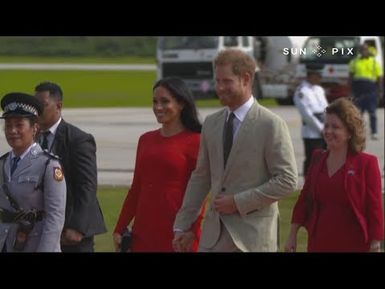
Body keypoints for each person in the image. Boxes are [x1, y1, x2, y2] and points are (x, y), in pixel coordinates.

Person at [173, 48, 298, 252]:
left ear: (246, 78)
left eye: (226, 81)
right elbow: (201, 177)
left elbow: (287, 180)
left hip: (252, 239)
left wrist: (238, 202)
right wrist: (182, 225)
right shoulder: (211, 124)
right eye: (217, 81)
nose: (219, 87)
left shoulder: (271, 124)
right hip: (213, 237)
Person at [113, 77, 205, 252]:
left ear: (181, 104)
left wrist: (191, 231)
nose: (158, 107)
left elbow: (200, 194)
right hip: (144, 231)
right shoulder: (146, 139)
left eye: (165, 101)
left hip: (177, 232)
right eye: (155, 101)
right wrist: (120, 227)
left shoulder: (197, 141)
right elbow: (136, 189)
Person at [285, 98, 384, 252]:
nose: (328, 131)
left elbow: (375, 206)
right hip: (319, 241)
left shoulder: (367, 163)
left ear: (349, 132)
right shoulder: (317, 157)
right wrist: (292, 234)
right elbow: (304, 199)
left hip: (355, 242)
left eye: (335, 127)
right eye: (326, 126)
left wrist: (376, 241)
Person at [34, 82, 106, 252]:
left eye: (42, 106)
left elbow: (87, 185)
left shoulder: (78, 139)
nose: (36, 111)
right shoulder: (32, 137)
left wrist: (77, 226)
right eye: (34, 106)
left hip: (71, 232)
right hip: (42, 228)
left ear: (58, 106)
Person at [0, 92, 66, 252]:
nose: (12, 131)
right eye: (8, 126)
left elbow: (55, 218)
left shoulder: (48, 165)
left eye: (19, 125)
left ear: (35, 128)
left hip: (35, 244)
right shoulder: (2, 163)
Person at [293, 64, 328, 176]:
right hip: (312, 133)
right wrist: (321, 129)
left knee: (324, 160)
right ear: (311, 75)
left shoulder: (319, 89)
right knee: (312, 160)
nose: (320, 78)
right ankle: (309, 186)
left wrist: (328, 128)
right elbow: (307, 114)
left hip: (326, 130)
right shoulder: (302, 92)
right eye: (318, 75)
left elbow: (326, 110)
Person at [349, 43, 383, 140]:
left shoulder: (374, 62)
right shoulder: (354, 62)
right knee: (358, 114)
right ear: (359, 51)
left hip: (370, 90)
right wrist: (350, 91)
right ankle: (358, 133)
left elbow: (379, 78)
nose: (364, 51)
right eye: (362, 49)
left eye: (365, 49)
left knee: (372, 113)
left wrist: (380, 91)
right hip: (358, 91)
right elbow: (350, 77)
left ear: (368, 50)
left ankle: (374, 132)